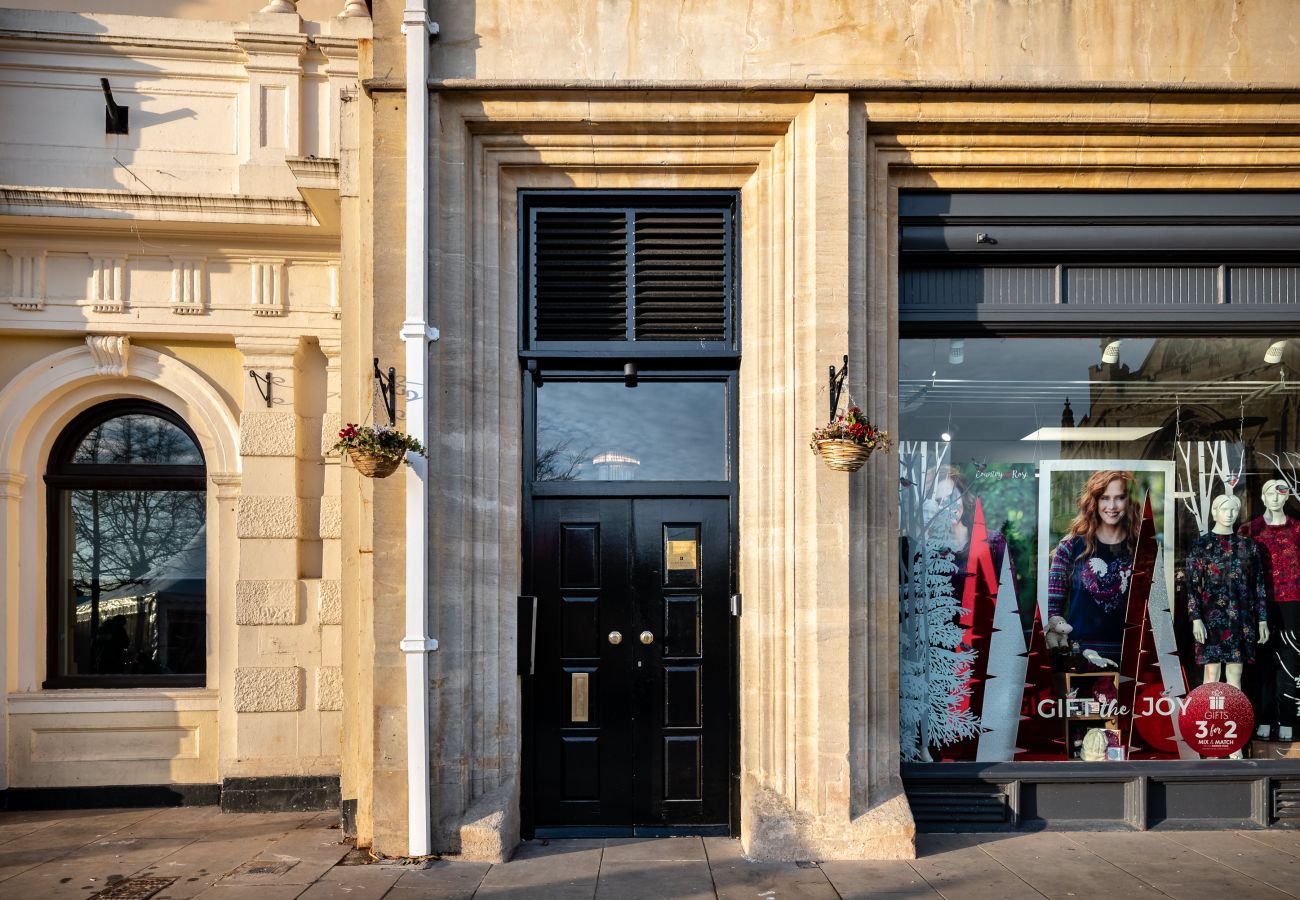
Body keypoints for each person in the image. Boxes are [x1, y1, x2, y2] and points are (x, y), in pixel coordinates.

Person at [1047, 470, 1140, 668]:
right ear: (1094, 501)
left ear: (1129, 501)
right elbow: (1053, 610)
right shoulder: (1069, 547)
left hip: (1131, 657)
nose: (1112, 506)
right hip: (1081, 658)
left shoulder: (1142, 548)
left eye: (1119, 497)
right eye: (1104, 498)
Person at [1240, 479, 1300, 740]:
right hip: (1259, 602)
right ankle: (1264, 718)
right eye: (1269, 493)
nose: (1275, 498)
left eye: (1280, 493)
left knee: (1289, 660)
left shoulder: (1297, 529)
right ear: (1262, 498)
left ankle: (1286, 720)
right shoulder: (1249, 530)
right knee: (1262, 661)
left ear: (1286, 497)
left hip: (1292, 601)